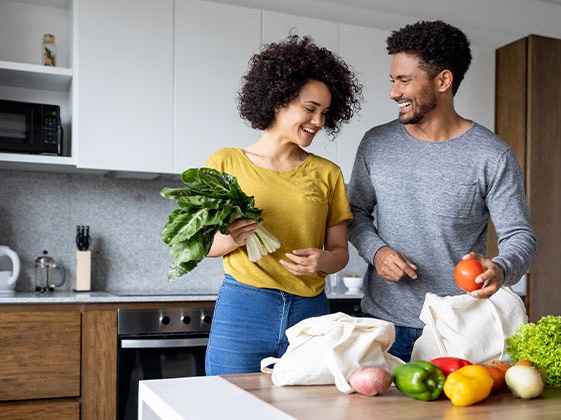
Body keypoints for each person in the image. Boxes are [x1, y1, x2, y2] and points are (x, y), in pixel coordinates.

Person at [347, 20, 537, 362]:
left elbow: (520, 235)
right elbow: (354, 212)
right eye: (393, 81)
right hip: (381, 325)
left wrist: (500, 267)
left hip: (457, 329)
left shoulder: (491, 155)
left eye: (404, 81)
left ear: (443, 81)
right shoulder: (376, 143)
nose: (394, 92)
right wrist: (376, 252)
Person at [203, 34, 362, 375]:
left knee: (306, 410)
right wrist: (236, 237)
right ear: (278, 100)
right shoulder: (225, 163)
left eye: (325, 113)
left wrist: (325, 260)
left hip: (310, 312)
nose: (318, 122)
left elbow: (340, 252)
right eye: (310, 109)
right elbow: (203, 245)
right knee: (225, 405)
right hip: (243, 307)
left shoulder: (327, 173)